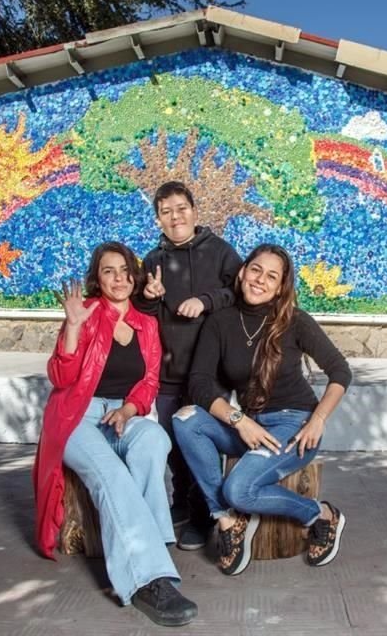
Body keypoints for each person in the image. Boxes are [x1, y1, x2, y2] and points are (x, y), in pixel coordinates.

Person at [32, 242, 198, 627]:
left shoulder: (146, 323)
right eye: (109, 271)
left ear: (134, 275)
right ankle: (147, 579)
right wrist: (72, 327)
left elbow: (149, 380)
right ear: (98, 278)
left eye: (124, 270)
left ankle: (150, 545)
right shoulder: (85, 314)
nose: (119, 278)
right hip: (78, 416)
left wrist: (128, 410)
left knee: (155, 440)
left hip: (121, 413)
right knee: (111, 476)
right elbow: (62, 378)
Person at [173, 243, 352, 576]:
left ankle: (322, 515)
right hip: (250, 426)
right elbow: (198, 383)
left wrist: (317, 420)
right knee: (185, 419)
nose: (260, 280)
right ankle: (226, 520)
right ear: (242, 273)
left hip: (293, 425)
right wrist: (239, 420)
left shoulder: (295, 321)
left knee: (239, 489)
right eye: (255, 270)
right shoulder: (220, 322)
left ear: (281, 286)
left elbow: (340, 371)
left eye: (272, 276)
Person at [135, 180, 242, 550]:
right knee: (173, 447)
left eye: (181, 208)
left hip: (209, 373)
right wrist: (149, 297)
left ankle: (202, 517)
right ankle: (181, 504)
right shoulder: (152, 261)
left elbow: (241, 293)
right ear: (159, 220)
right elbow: (142, 314)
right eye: (166, 212)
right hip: (167, 371)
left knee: (200, 446)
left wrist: (206, 300)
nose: (175, 216)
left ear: (194, 212)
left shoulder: (221, 252)